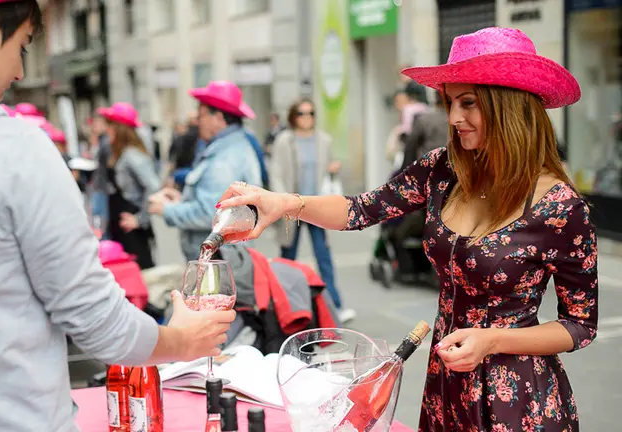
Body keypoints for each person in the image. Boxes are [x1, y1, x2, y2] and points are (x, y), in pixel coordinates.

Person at [0, 1, 234, 431]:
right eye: (22, 47)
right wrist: (181, 340)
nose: (19, 72)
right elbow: (96, 321)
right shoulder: (10, 148)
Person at [216, 27, 597, 431]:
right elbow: (361, 209)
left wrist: (493, 340)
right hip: (446, 382)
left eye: (468, 103)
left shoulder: (560, 207)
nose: (453, 118)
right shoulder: (444, 168)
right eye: (449, 102)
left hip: (518, 398)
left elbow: (580, 324)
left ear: (510, 106)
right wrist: (287, 203)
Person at [148, 80, 262, 261]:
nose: (198, 122)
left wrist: (166, 209)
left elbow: (210, 213)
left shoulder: (226, 157)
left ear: (218, 117)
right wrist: (181, 200)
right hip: (221, 257)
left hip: (218, 259)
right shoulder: (229, 147)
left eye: (201, 116)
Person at [269, 97, 354, 322]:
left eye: (311, 113)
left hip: (315, 205)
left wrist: (333, 169)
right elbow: (276, 173)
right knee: (288, 257)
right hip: (291, 206)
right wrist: (281, 201)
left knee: (323, 255)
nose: (307, 118)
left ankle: (335, 305)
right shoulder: (284, 140)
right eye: (302, 114)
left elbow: (327, 170)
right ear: (293, 117)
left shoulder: (323, 140)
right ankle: (283, 303)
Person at [98, 102, 160, 270]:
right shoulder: (119, 153)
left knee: (139, 270)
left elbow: (153, 186)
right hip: (120, 223)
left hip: (131, 226)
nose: (106, 129)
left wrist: (140, 219)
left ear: (118, 128)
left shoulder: (132, 154)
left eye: (109, 125)